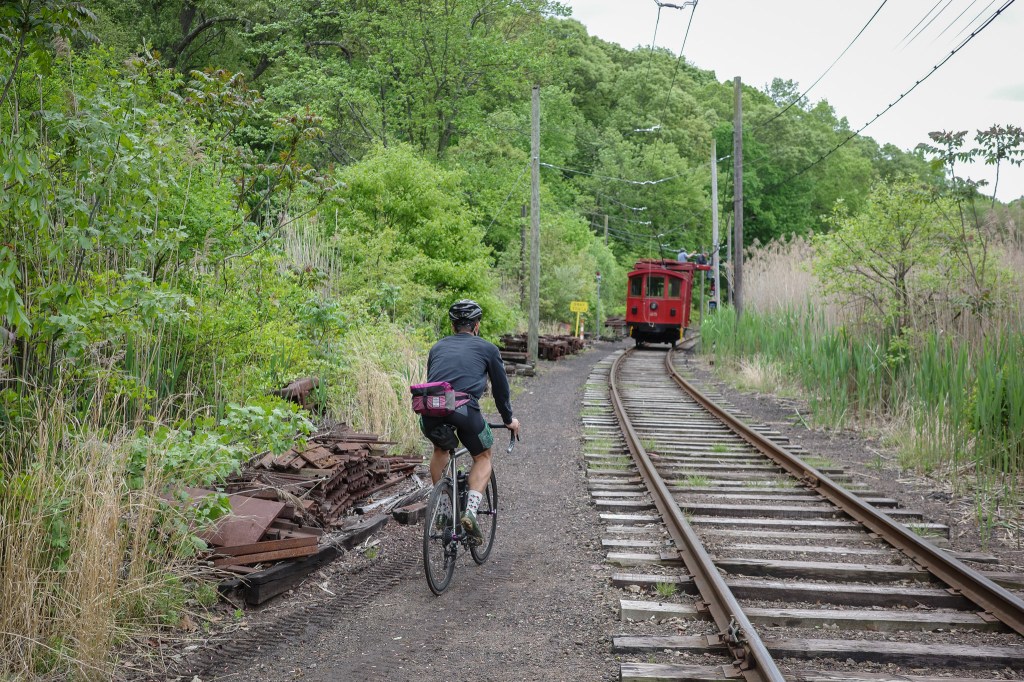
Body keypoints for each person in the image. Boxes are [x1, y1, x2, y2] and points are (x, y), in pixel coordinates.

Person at [420, 299, 520, 543]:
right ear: (476, 325)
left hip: (429, 411)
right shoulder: (488, 349)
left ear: (453, 326)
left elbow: (436, 381)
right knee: (483, 456)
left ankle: (444, 507)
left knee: (440, 448)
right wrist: (508, 420)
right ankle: (470, 512)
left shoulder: (437, 347)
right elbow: (501, 390)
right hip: (464, 410)